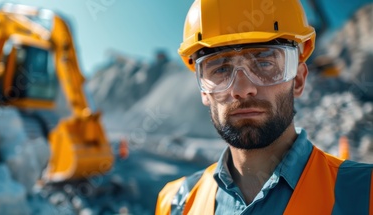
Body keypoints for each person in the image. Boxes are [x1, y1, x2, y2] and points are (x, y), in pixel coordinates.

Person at [155, 0, 373, 214]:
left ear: (297, 80)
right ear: (204, 90)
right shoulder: (175, 203)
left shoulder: (366, 193)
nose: (242, 89)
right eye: (221, 69)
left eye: (265, 64)